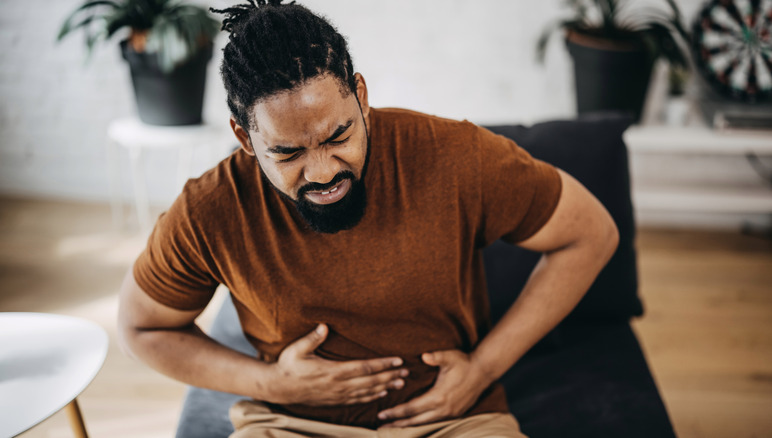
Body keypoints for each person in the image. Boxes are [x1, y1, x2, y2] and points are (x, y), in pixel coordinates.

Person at [117, 1, 619, 437]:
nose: (323, 172)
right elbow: (142, 329)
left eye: (338, 136)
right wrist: (269, 382)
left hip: (452, 421)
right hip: (292, 425)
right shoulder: (211, 210)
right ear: (246, 138)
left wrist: (483, 368)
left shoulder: (457, 157)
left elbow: (591, 233)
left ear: (360, 95)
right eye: (288, 153)